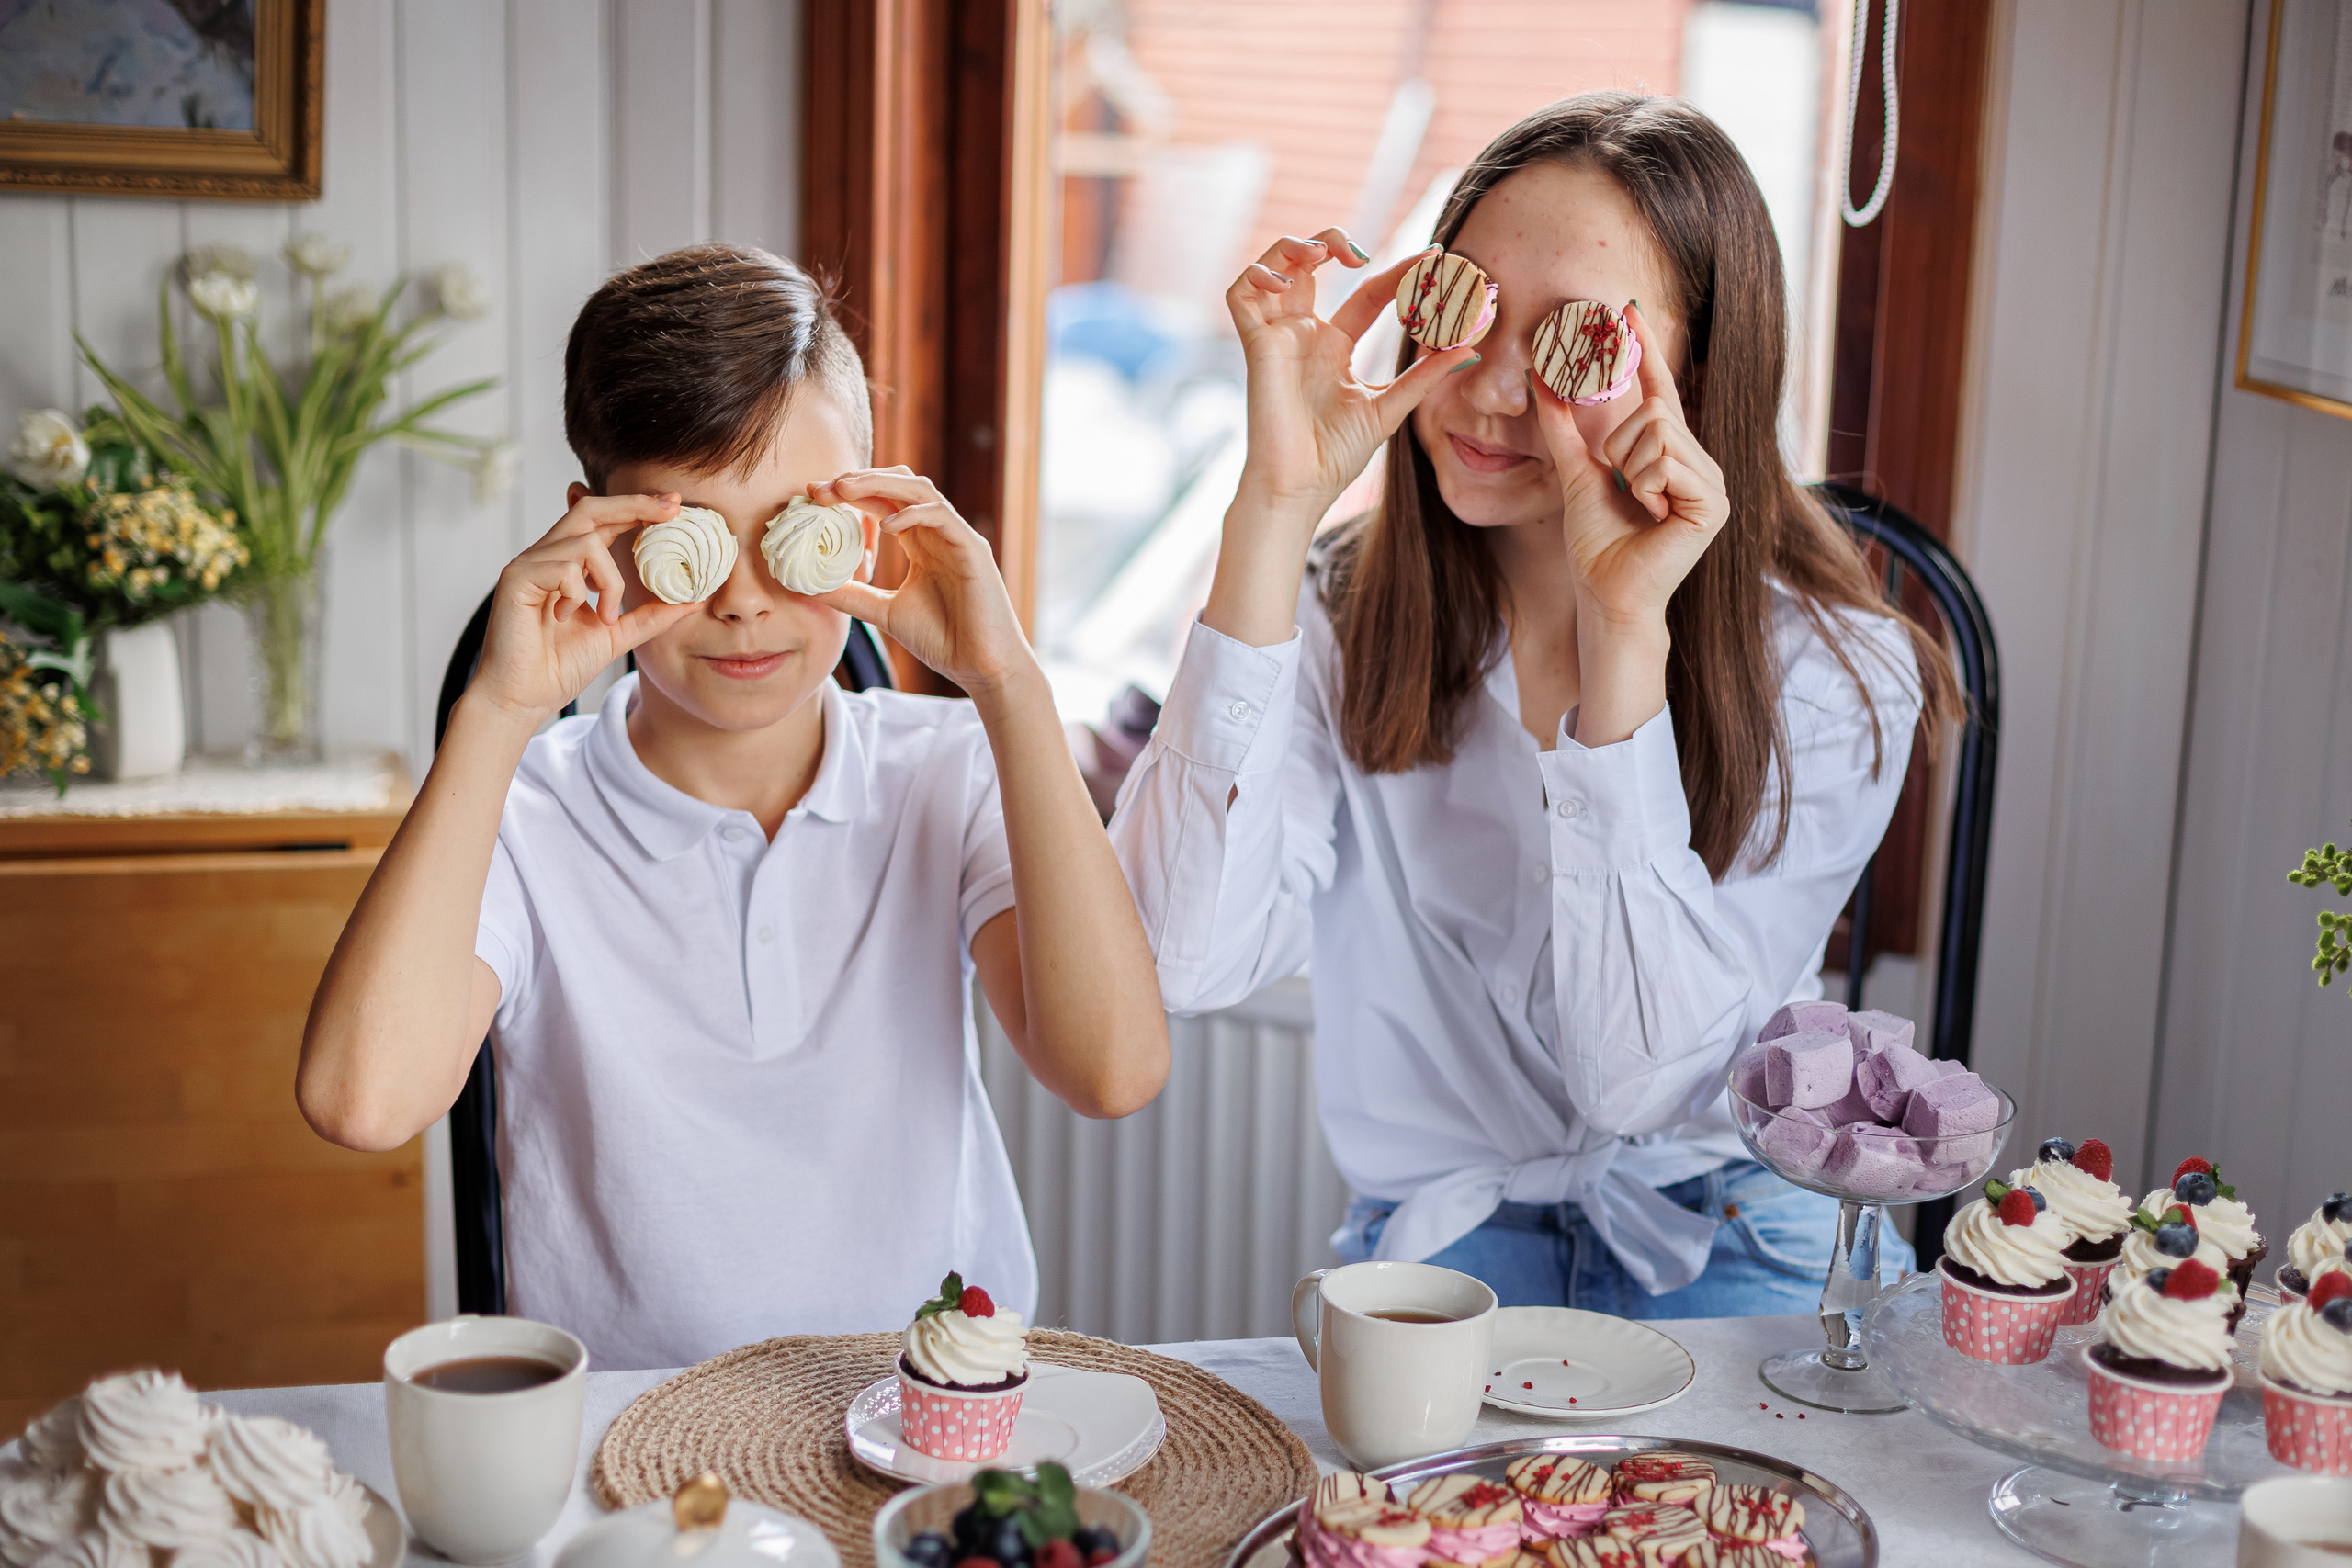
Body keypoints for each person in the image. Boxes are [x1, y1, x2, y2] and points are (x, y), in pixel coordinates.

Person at [1107, 93, 1959, 1316]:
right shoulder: (1342, 617)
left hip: (1732, 1227)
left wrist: (1624, 639)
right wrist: (1272, 512)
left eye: (1577, 341)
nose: (1491, 389)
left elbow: (1638, 1083)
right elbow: (1182, 959)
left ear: (1699, 368)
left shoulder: (1832, 672)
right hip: (1446, 1241)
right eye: (1467, 310)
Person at [298, 244, 1170, 1369]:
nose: (748, 600)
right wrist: (499, 708)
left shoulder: (945, 771)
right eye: (692, 540)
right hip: (631, 1441)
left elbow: (1112, 1072)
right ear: (597, 528)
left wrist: (1007, 681)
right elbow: (362, 1102)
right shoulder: (524, 818)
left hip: (927, 1410)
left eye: (790, 530)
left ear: (863, 517)